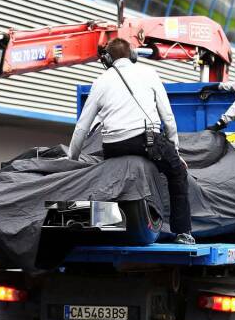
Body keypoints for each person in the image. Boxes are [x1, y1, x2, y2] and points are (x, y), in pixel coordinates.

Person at [68, 38, 194, 245]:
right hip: (147, 141)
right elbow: (168, 119)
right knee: (177, 172)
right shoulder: (149, 74)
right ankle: (183, 232)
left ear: (107, 59)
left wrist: (72, 159)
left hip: (113, 146)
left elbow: (82, 127)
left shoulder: (100, 81)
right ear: (133, 55)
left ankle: (102, 219)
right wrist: (176, 153)